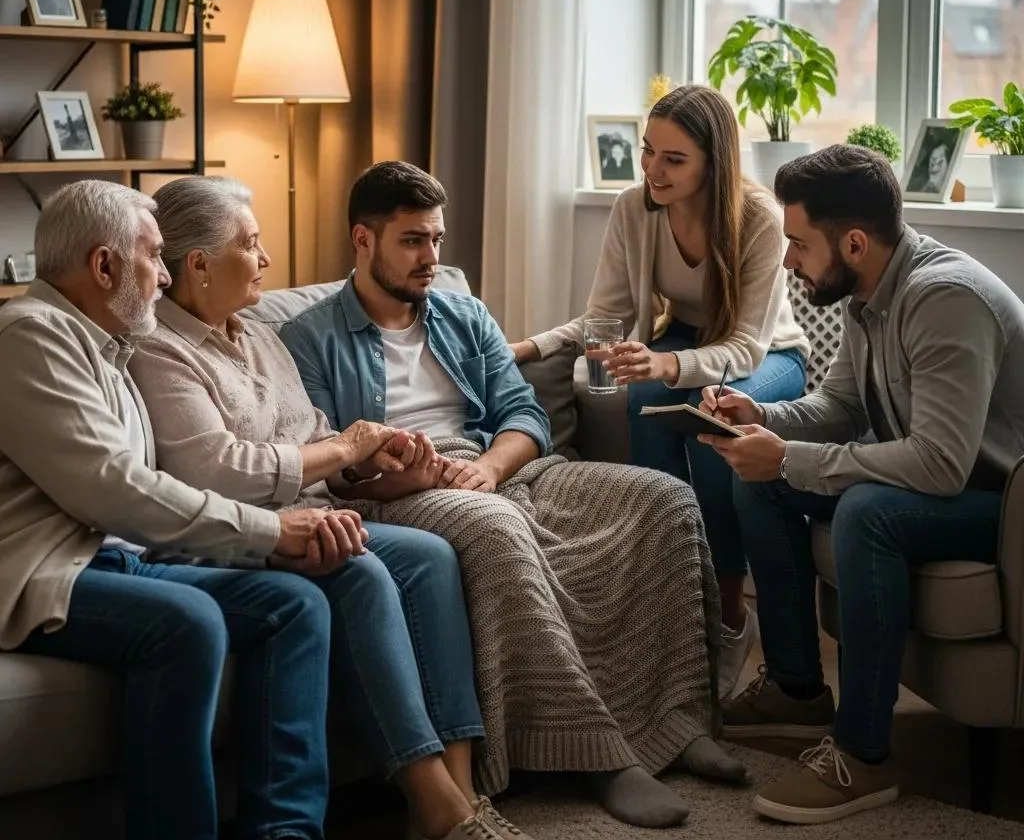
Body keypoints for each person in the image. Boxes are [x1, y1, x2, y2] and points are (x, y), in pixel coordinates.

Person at [278, 159, 751, 831]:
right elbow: (324, 463)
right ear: (363, 240)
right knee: (496, 535)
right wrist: (404, 474)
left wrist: (494, 468)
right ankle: (599, 753)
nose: (431, 258)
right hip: (399, 494)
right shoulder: (309, 338)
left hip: (499, 470)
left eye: (437, 240)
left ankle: (677, 722)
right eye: (413, 240)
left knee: (662, 499)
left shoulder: (462, 312)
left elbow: (524, 414)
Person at [129, 177, 531, 840]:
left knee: (432, 555)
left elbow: (313, 434)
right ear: (196, 264)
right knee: (360, 571)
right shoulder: (159, 351)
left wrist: (374, 467)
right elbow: (218, 469)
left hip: (317, 510)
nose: (265, 262)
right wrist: (345, 447)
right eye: (251, 246)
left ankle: (461, 790)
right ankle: (432, 799)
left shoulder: (257, 334)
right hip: (231, 530)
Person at [0, 180, 348, 840]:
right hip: (40, 572)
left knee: (295, 605)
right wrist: (271, 529)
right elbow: (117, 489)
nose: (165, 276)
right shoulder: (28, 337)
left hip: (115, 559)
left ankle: (286, 834)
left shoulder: (110, 346)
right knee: (186, 622)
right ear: (103, 266)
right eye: (154, 256)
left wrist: (265, 544)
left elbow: (144, 494)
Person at [695, 144, 1024, 824]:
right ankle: (795, 688)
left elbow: (941, 464)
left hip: (1004, 504)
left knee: (867, 511)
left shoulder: (945, 300)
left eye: (799, 244)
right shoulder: (866, 287)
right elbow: (840, 408)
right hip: (953, 482)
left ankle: (864, 756)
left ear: (852, 241)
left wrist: (788, 457)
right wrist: (763, 417)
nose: (790, 261)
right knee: (758, 479)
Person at [513, 84, 810, 700]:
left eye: (673, 159)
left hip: (767, 354)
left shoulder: (760, 220)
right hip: (682, 342)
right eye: (649, 152)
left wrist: (666, 367)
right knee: (641, 403)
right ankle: (676, 616)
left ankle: (729, 621)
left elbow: (746, 350)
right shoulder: (633, 207)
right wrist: (530, 348)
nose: (651, 169)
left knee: (708, 422)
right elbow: (607, 318)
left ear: (714, 164)